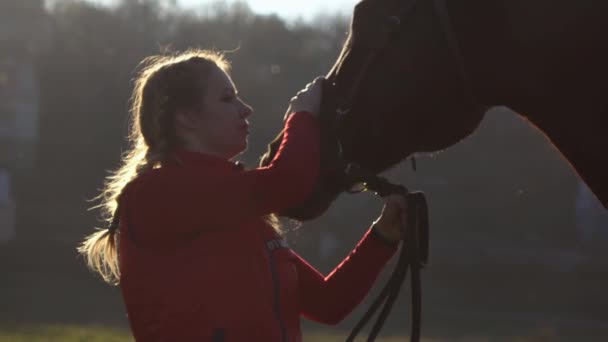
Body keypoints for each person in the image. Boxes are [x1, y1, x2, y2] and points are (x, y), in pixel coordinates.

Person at [78, 49, 408, 341]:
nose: (246, 109)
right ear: (186, 117)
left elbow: (328, 303)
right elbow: (289, 180)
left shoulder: (240, 210)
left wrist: (383, 236)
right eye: (227, 98)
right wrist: (302, 115)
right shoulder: (153, 195)